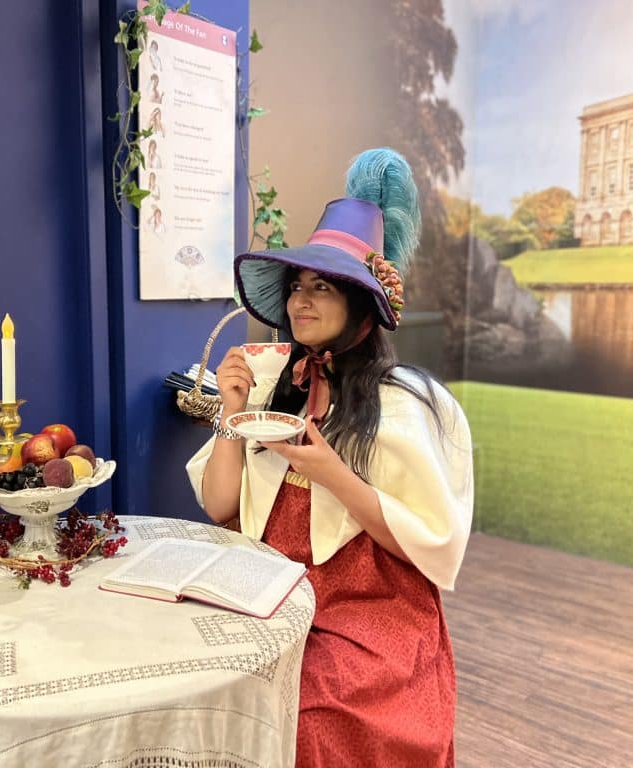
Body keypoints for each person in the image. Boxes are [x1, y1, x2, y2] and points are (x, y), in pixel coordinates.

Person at [187, 148, 473, 767]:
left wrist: (330, 472)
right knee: (199, 688)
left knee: (310, 713)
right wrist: (231, 409)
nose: (300, 302)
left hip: (371, 610)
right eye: (296, 287)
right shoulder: (269, 385)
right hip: (272, 591)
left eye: (321, 287)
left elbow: (429, 547)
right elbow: (219, 506)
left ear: (362, 304)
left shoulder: (404, 407)